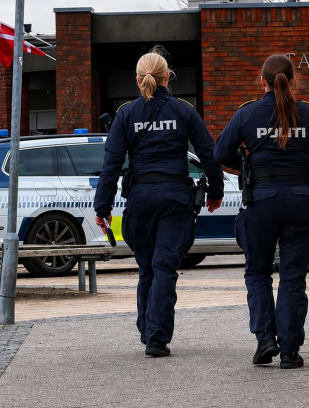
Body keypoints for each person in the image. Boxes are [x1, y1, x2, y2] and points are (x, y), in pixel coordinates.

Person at [93, 49, 224, 357]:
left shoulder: (126, 114)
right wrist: (216, 192)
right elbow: (209, 153)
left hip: (140, 200)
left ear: (138, 79)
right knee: (164, 266)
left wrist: (102, 208)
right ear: (168, 77)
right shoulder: (184, 110)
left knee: (147, 267)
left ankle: (147, 329)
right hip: (175, 199)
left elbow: (111, 165)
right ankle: (156, 336)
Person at [214, 54, 309, 369]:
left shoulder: (247, 113)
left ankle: (265, 339)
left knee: (257, 271)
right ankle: (289, 350)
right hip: (301, 200)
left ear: (262, 81)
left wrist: (246, 166)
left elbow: (220, 151)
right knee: (293, 276)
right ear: (293, 80)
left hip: (261, 200)